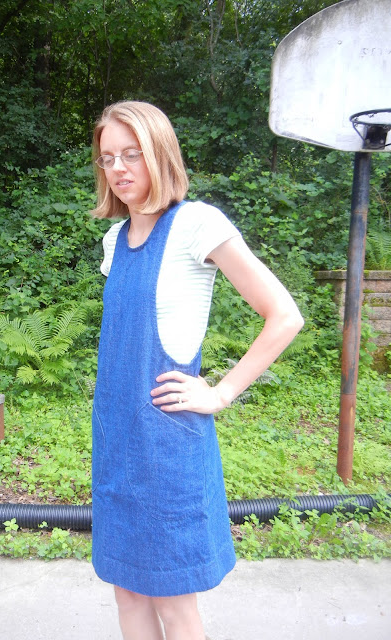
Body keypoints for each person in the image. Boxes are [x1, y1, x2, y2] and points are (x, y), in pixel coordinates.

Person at [90, 100, 304, 640]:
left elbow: (285, 316)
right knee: (127, 592)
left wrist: (222, 392)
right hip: (117, 441)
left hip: (166, 444)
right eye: (108, 158)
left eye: (132, 154)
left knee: (173, 602)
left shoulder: (196, 225)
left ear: (159, 153)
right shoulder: (115, 241)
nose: (118, 168)